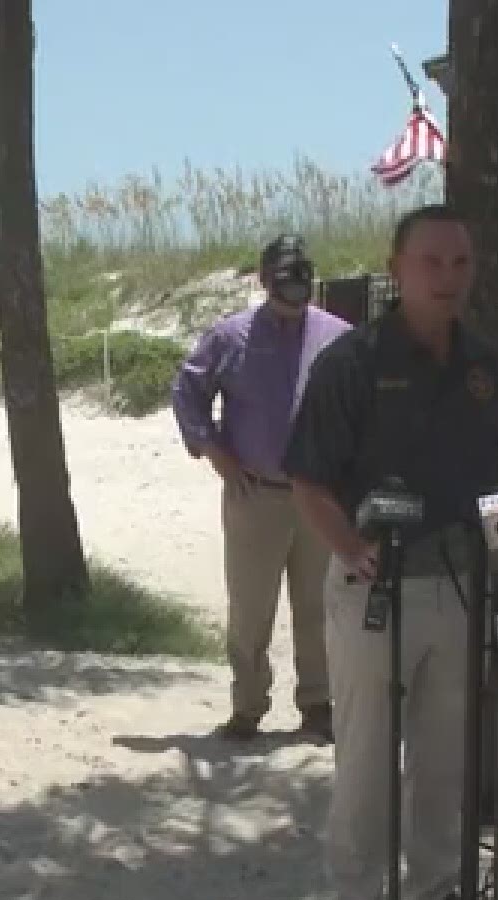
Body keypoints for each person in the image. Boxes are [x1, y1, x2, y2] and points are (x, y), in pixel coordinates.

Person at [283, 205, 498, 900]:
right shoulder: (353, 364)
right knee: (365, 760)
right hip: (377, 593)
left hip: (465, 586)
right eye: (431, 262)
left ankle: (438, 896)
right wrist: (353, 551)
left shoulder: (487, 365)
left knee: (445, 757)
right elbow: (310, 479)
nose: (448, 278)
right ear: (396, 268)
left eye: (460, 263)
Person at [172, 233, 350, 744]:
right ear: (264, 279)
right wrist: (215, 452)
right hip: (256, 495)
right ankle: (247, 706)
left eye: (301, 278)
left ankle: (317, 704)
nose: (293, 289)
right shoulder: (230, 337)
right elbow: (188, 390)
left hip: (319, 495)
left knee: (318, 608)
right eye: (283, 278)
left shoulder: (338, 335)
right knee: (250, 610)